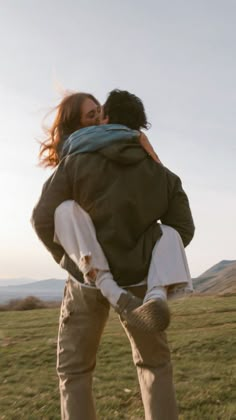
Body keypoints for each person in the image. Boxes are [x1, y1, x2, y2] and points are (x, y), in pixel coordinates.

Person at [32, 90, 195, 419]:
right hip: (140, 279)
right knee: (155, 364)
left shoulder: (76, 161)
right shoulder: (161, 172)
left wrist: (74, 264)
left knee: (75, 372)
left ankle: (106, 280)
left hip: (87, 279)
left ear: (107, 118)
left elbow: (43, 218)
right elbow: (183, 229)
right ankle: (156, 293)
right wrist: (148, 253)